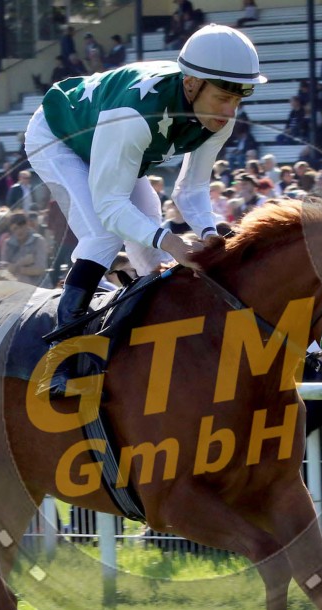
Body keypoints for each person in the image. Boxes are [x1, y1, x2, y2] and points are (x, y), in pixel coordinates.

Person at [25, 24, 266, 393]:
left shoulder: (218, 117)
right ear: (191, 84)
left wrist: (208, 233)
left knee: (149, 240)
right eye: (222, 98)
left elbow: (191, 190)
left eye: (238, 99)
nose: (230, 110)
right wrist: (172, 242)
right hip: (59, 137)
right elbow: (109, 207)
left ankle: (156, 337)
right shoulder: (136, 115)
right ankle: (59, 361)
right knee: (104, 233)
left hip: (109, 137)